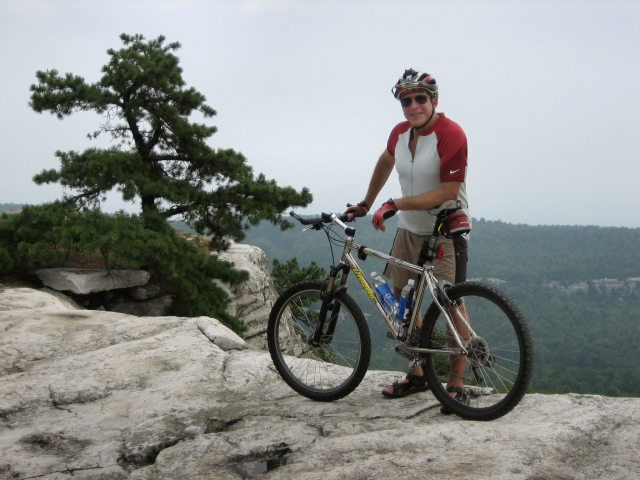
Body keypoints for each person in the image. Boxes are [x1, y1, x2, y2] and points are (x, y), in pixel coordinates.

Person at [345, 68, 470, 412]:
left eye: (419, 99)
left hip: (444, 229)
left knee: (450, 302)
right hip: (409, 229)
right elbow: (387, 160)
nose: (412, 106)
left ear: (434, 100)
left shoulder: (451, 134)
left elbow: (447, 192)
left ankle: (456, 384)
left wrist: (393, 203)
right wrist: (368, 202)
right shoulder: (400, 134)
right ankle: (418, 373)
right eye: (406, 100)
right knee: (400, 298)